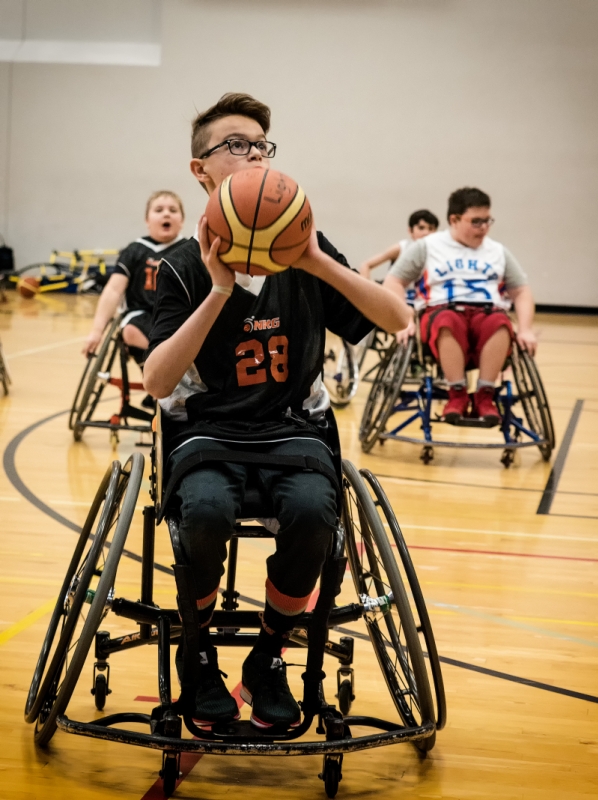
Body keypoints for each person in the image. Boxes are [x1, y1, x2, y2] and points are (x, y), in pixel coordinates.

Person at [144, 93, 410, 730]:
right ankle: (198, 653)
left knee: (315, 513)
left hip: (294, 431)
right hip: (207, 433)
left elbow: (398, 320)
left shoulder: (306, 249)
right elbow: (157, 382)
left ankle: (267, 657)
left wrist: (317, 260)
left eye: (262, 146)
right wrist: (218, 292)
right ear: (200, 170)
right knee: (204, 511)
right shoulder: (180, 266)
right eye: (235, 145)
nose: (254, 154)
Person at [384, 186, 536, 424]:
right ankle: (457, 395)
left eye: (487, 220)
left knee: (500, 323)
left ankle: (485, 396)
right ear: (454, 219)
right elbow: (393, 281)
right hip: (441, 311)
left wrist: (526, 329)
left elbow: (521, 291)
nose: (484, 227)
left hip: (487, 311)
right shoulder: (428, 246)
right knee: (448, 321)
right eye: (476, 221)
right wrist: (402, 321)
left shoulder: (498, 251)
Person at [82, 191, 186, 360]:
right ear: (147, 221)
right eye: (159, 210)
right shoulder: (134, 250)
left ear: (181, 221)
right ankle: (159, 369)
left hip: (178, 316)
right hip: (141, 314)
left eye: (173, 210)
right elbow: (113, 290)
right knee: (131, 330)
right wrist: (96, 331)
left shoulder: (189, 249)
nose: (166, 213)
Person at [360, 209, 439, 342]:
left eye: (431, 228)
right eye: (421, 228)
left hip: (419, 302)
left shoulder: (438, 253)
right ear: (410, 230)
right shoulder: (401, 248)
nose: (426, 232)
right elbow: (366, 265)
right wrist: (366, 293)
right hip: (398, 299)